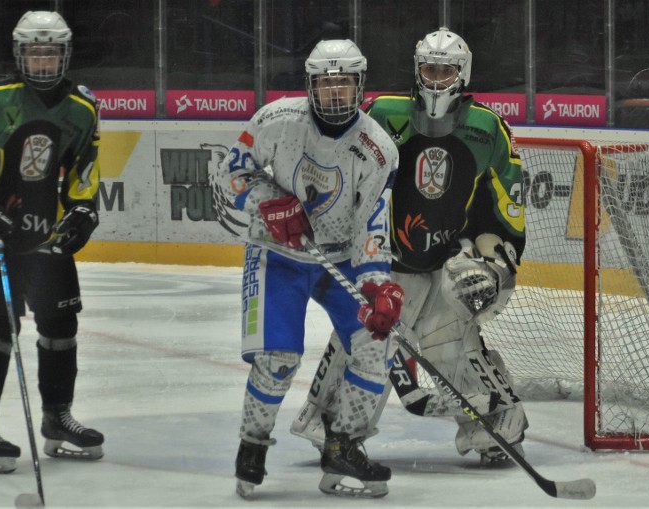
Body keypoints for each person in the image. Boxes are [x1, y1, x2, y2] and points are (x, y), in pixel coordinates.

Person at [291, 27, 529, 466]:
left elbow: (504, 211)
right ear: (417, 71)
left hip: (447, 266)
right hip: (386, 260)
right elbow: (337, 165)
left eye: (446, 70)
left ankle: (494, 420)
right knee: (363, 337)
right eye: (429, 69)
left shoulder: (487, 129)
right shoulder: (382, 114)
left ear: (463, 74)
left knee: (450, 342)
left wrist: (492, 265)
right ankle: (333, 422)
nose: (437, 79)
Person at [209, 39, 402, 498]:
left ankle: (343, 443)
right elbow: (232, 171)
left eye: (344, 83)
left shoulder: (378, 148)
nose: (335, 93)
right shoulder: (276, 120)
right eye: (326, 83)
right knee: (278, 360)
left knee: (378, 344)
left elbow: (372, 224)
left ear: (360, 85)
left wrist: (379, 286)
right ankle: (251, 448)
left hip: (340, 258)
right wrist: (268, 201)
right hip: (277, 253)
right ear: (311, 86)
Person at [0, 11, 104, 474]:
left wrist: (83, 212)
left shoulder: (83, 107)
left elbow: (83, 173)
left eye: (51, 52)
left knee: (61, 327)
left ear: (65, 55)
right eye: (35, 51)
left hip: (43, 233)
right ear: (19, 54)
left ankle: (57, 418)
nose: (43, 61)